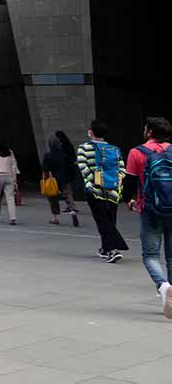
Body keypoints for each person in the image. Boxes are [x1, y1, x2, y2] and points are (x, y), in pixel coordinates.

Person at [123, 116, 172, 320]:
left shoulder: (137, 152)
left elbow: (129, 184)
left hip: (150, 208)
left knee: (150, 255)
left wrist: (130, 201)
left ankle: (163, 285)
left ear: (149, 132)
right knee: (171, 256)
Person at [77, 119, 128, 262]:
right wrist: (113, 183)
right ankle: (105, 249)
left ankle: (113, 250)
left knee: (102, 221)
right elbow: (122, 170)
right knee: (110, 220)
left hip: (94, 191)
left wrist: (93, 182)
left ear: (90, 132)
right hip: (113, 191)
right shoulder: (115, 149)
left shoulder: (84, 148)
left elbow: (83, 167)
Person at [41, 131, 80, 227]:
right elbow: (70, 167)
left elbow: (45, 169)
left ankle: (55, 217)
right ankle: (73, 210)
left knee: (52, 198)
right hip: (64, 178)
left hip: (53, 180)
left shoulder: (48, 155)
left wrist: (45, 180)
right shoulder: (64, 154)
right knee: (68, 195)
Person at [0, 133, 20, 225]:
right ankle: (13, 218)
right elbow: (14, 166)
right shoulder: (10, 152)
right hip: (9, 177)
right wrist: (15, 180)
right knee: (10, 198)